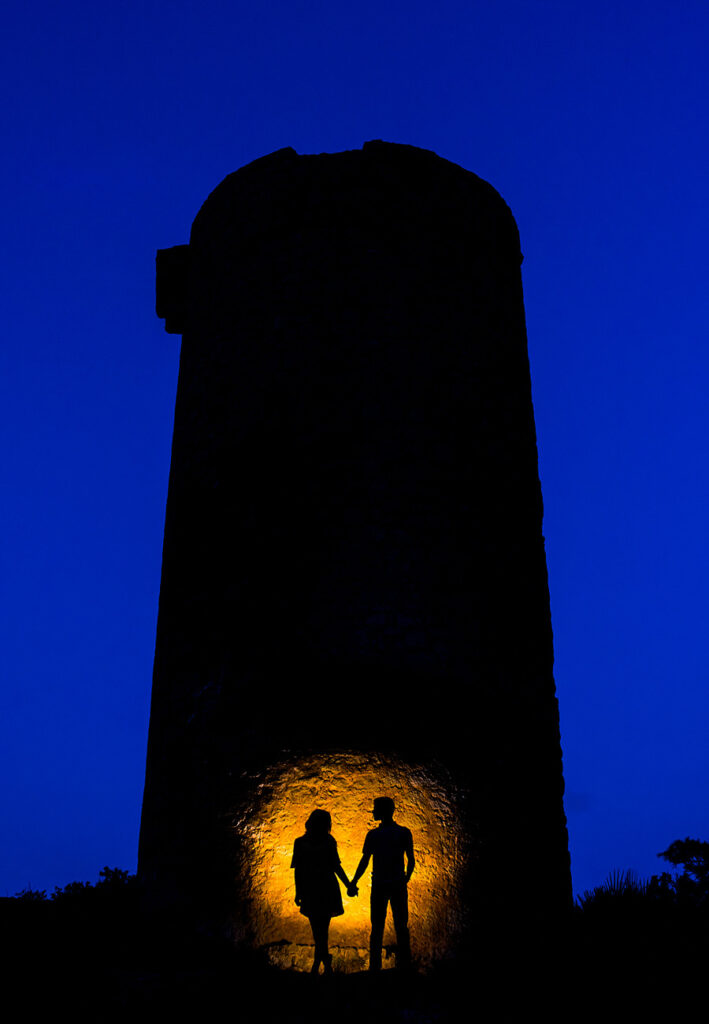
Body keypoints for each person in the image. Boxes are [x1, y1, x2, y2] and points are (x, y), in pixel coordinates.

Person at [349, 796, 415, 970]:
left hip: (379, 885)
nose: (373, 811)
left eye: (375, 808)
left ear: (383, 811)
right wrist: (405, 878)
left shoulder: (373, 835)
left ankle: (375, 967)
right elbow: (411, 859)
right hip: (398, 884)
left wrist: (354, 881)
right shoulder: (404, 832)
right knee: (401, 925)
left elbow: (365, 861)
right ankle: (405, 966)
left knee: (377, 927)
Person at [291, 808, 354, 974]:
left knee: (318, 929)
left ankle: (319, 963)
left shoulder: (301, 843)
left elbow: (299, 870)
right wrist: (348, 885)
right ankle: (324, 962)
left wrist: (298, 892)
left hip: (314, 889)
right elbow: (336, 867)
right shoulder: (328, 841)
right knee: (322, 930)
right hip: (325, 888)